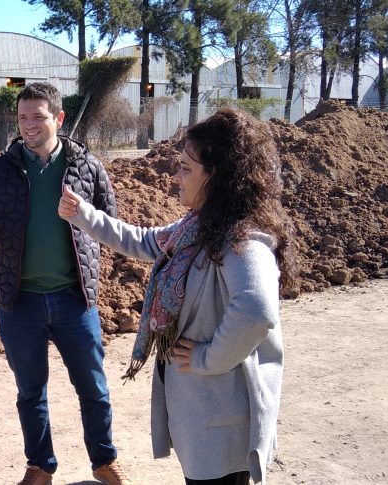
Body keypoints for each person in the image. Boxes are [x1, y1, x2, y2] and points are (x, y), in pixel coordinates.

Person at [58, 108, 298, 484]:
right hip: (204, 416)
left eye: (186, 168)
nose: (176, 176)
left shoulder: (242, 241)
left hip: (222, 418)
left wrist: (206, 358)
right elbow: (141, 240)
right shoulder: (197, 229)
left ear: (216, 176)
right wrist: (84, 215)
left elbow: (257, 311)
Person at [0, 82, 132, 485]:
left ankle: (104, 462)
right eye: (22, 118)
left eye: (37, 117)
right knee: (30, 392)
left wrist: (92, 269)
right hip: (18, 302)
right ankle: (40, 466)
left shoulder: (86, 166)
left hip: (75, 300)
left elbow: (110, 225)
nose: (28, 125)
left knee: (93, 387)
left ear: (57, 118)